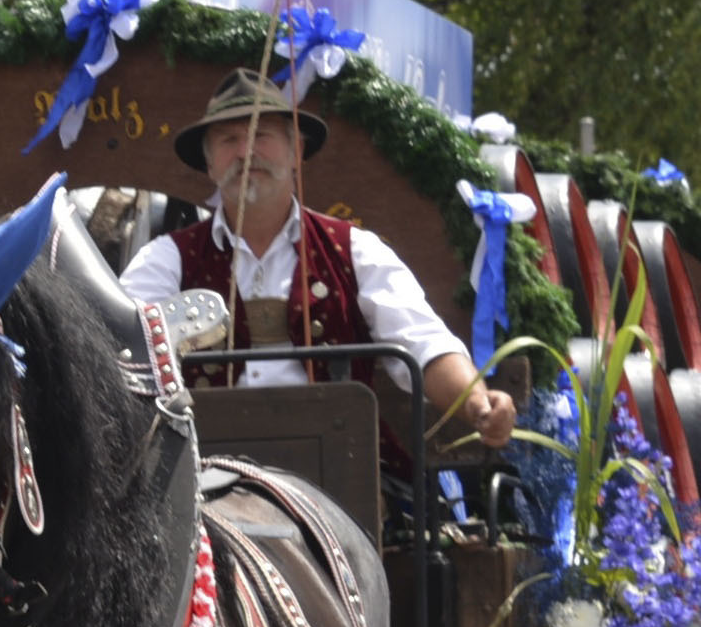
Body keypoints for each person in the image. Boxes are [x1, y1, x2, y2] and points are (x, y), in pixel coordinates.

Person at [116, 70, 517, 459]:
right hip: (206, 470)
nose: (245, 151)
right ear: (210, 165)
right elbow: (117, 342)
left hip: (338, 474)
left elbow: (423, 343)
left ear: (297, 153)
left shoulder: (355, 251)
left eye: (262, 135)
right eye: (228, 139)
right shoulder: (167, 259)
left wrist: (478, 404)